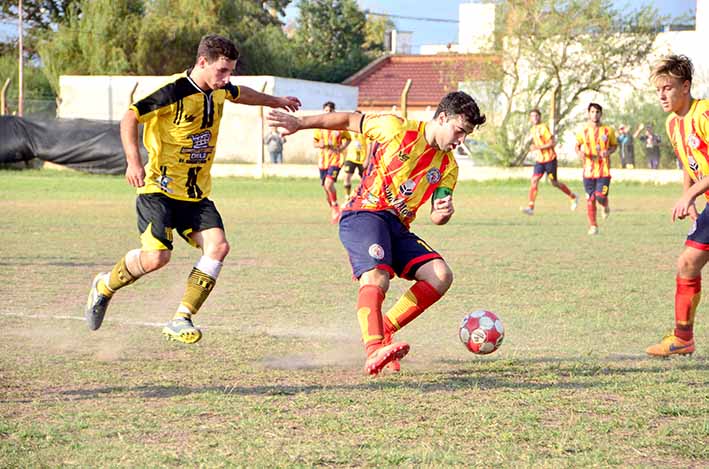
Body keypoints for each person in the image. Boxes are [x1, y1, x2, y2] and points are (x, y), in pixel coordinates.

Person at [84, 34, 301, 343]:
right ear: (202, 62)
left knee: (219, 246)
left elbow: (242, 94)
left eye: (231, 72)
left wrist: (276, 101)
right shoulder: (174, 91)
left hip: (195, 194)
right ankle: (104, 285)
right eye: (222, 71)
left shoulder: (220, 88)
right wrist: (133, 161)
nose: (227, 79)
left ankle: (181, 317)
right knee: (156, 258)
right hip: (158, 189)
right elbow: (130, 117)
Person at [268, 91, 486, 375]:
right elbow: (348, 119)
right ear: (442, 118)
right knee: (376, 277)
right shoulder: (397, 128)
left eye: (467, 135)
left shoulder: (448, 167)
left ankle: (383, 330)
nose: (461, 141)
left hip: (397, 226)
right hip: (364, 214)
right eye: (460, 131)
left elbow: (436, 214)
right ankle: (374, 351)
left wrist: (442, 213)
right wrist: (301, 123)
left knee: (441, 275)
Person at [646, 54, 707, 357]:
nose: (662, 95)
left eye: (668, 88)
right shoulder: (672, 124)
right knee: (687, 263)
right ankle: (683, 338)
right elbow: (688, 162)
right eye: (658, 89)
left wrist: (690, 195)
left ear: (685, 86)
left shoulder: (704, 114)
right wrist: (689, 196)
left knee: (688, 262)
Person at [520, 109, 577, 215]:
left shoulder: (543, 128)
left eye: (536, 115)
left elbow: (552, 142)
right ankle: (531, 207)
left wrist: (538, 147)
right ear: (530, 119)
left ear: (540, 117)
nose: (535, 118)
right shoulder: (533, 129)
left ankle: (573, 196)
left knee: (554, 183)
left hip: (550, 160)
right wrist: (533, 147)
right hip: (540, 161)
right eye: (532, 116)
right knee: (534, 180)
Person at [575, 103, 618, 235]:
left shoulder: (608, 130)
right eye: (592, 112)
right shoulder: (583, 131)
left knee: (600, 196)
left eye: (597, 112)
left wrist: (608, 152)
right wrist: (579, 153)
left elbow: (614, 146)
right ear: (589, 113)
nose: (595, 114)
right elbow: (577, 146)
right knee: (590, 199)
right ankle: (593, 226)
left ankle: (605, 206)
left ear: (601, 114)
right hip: (588, 171)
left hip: (603, 171)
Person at [313, 101, 351, 223]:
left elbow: (348, 138)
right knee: (326, 188)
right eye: (326, 111)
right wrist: (321, 144)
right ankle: (334, 209)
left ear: (334, 111)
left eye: (330, 111)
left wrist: (342, 148)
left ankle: (336, 208)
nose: (327, 113)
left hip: (336, 159)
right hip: (323, 161)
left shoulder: (339, 127)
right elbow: (314, 143)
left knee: (329, 184)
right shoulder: (319, 127)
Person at [342, 127, 368, 200]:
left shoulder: (364, 128)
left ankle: (362, 195)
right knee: (347, 176)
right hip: (350, 157)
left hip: (363, 158)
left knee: (363, 179)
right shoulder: (348, 129)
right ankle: (347, 196)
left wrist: (368, 158)